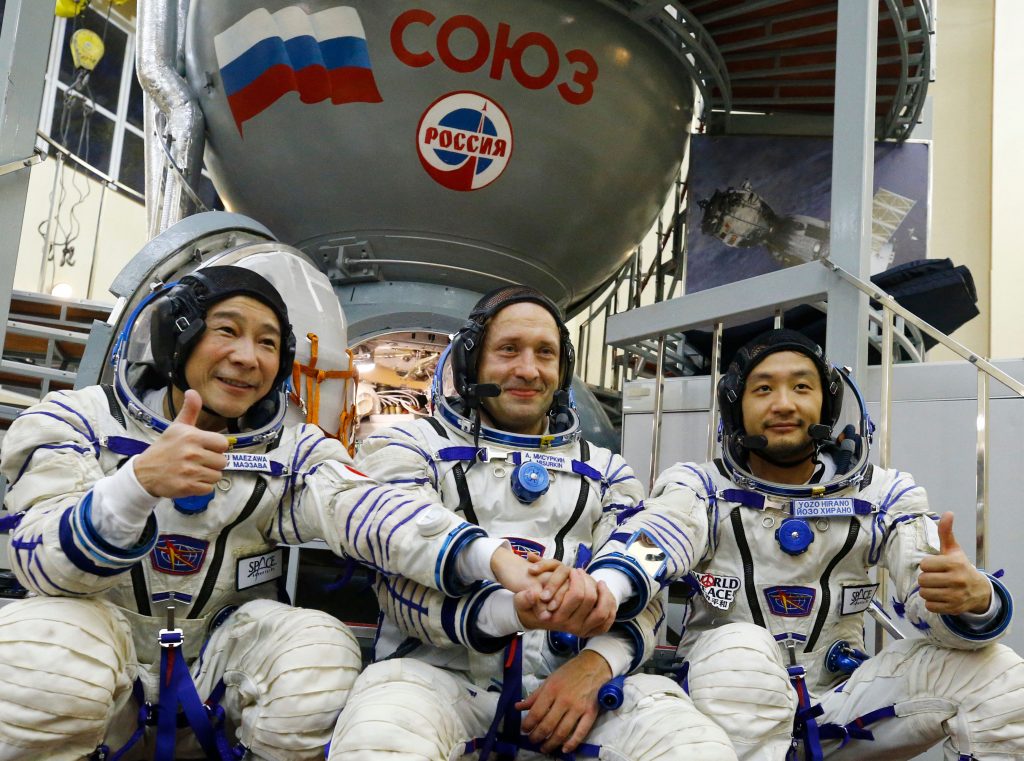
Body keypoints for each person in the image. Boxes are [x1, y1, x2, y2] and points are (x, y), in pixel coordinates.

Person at [0, 263, 545, 761]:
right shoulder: (77, 423)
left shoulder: (290, 451)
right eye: (227, 331)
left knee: (319, 660)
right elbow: (44, 565)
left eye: (267, 343)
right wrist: (137, 485)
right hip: (100, 654)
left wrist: (488, 555)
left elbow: (369, 507)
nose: (247, 357)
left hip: (218, 660)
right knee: (46, 654)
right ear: (175, 336)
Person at [328, 285, 736, 761]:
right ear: (471, 362)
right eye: (508, 350)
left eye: (545, 353)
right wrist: (509, 599)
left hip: (578, 688)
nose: (527, 369)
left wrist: (597, 664)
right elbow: (397, 570)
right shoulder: (411, 448)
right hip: (439, 681)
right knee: (380, 738)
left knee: (693, 747)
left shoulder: (606, 471)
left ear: (562, 371)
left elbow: (648, 588)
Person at [588, 328, 1024, 760]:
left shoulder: (884, 495)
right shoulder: (701, 488)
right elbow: (660, 536)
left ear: (826, 403)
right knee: (740, 650)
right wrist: (609, 583)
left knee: (999, 676)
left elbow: (926, 585)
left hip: (839, 706)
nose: (783, 403)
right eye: (763, 389)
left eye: (801, 386)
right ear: (736, 407)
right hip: (723, 715)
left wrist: (973, 600)